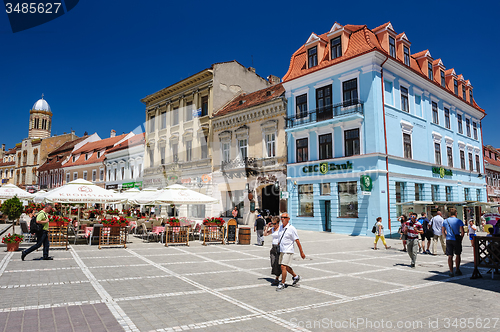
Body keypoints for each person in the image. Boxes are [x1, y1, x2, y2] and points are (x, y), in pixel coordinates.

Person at [276, 213, 305, 291]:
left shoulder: (292, 228)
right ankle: (296, 277)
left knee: (283, 266)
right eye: (281, 217)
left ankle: (282, 283)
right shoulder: (281, 227)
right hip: (282, 250)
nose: (282, 219)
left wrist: (301, 252)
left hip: (288, 250)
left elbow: (297, 241)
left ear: (288, 219)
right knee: (287, 267)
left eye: (284, 217)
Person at [442, 208, 464, 277]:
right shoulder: (459, 221)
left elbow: (443, 231)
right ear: (456, 213)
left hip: (449, 239)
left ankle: (451, 271)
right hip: (456, 239)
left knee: (450, 256)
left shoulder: (445, 221)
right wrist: (461, 239)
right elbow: (463, 232)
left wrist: (446, 237)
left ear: (449, 214)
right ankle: (457, 269)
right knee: (458, 254)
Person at [264, 216, 281, 285]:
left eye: (275, 224)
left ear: (278, 223)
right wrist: (267, 227)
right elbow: (265, 234)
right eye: (272, 224)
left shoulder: (281, 229)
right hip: (273, 247)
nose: (273, 225)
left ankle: (277, 278)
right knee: (273, 262)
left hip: (279, 247)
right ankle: (278, 275)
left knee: (278, 263)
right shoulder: (273, 229)